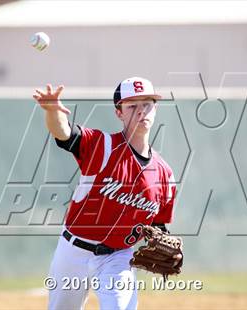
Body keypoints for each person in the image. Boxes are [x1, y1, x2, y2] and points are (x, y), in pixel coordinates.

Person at [33, 77, 180, 310]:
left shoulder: (165, 174)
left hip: (117, 258)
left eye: (147, 104)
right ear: (119, 113)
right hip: (73, 251)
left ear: (156, 108)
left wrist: (162, 242)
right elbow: (63, 132)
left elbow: (159, 225)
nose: (141, 111)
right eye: (132, 106)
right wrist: (52, 112)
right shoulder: (102, 146)